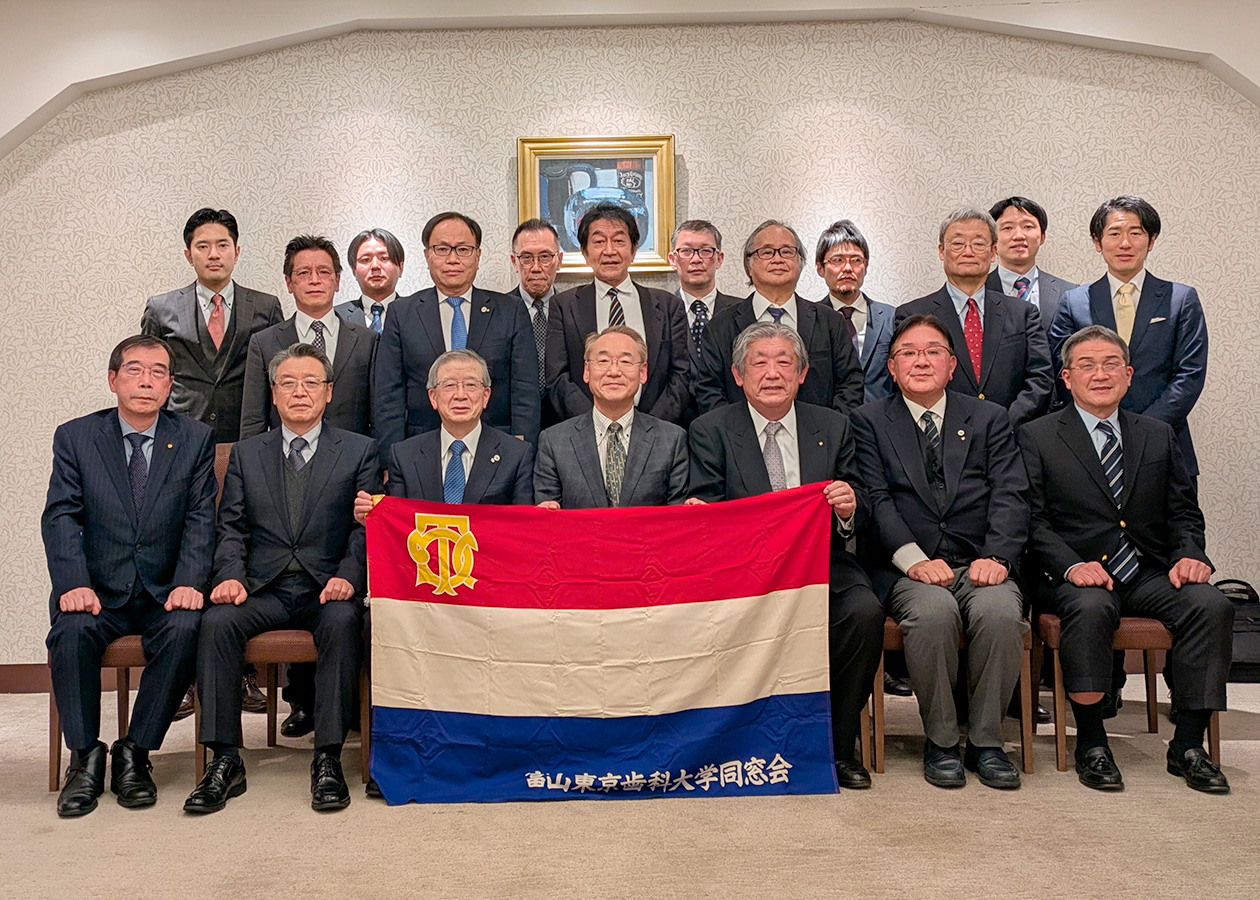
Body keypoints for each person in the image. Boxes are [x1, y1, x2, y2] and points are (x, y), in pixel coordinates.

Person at [1019, 324, 1231, 793]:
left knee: (1211, 604)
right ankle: (1093, 743)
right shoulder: (1036, 437)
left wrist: (1190, 555)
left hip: (1148, 570)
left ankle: (1189, 745)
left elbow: (1183, 512)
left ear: (1129, 375)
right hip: (1071, 572)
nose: (1100, 374)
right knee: (1090, 608)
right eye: (1087, 365)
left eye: (1111, 364)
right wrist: (1073, 565)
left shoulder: (1157, 434)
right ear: (1066, 377)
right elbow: (1031, 521)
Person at [688, 322, 885, 789]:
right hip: (740, 571)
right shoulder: (710, 430)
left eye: (784, 363)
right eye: (759, 362)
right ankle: (733, 743)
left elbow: (865, 505)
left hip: (821, 564)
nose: (772, 373)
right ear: (738, 375)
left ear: (802, 374)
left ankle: (837, 746)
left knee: (863, 611)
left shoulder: (834, 426)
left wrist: (849, 507)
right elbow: (705, 506)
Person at [186, 343, 381, 814]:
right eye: (288, 383)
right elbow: (230, 526)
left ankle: (328, 756)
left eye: (311, 382)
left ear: (329, 392)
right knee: (216, 623)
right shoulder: (247, 454)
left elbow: (364, 528)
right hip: (264, 586)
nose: (300, 392)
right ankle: (225, 758)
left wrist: (349, 578)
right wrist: (230, 576)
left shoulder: (359, 450)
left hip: (327, 587)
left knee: (340, 623)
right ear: (273, 394)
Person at [851, 315, 1030, 790]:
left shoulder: (989, 418)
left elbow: (1011, 493)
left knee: (999, 614)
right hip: (907, 566)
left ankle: (988, 743)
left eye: (933, 351)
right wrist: (912, 558)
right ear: (891, 367)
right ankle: (943, 741)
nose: (921, 360)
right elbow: (874, 498)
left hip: (980, 562)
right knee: (931, 614)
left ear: (953, 364)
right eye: (908, 352)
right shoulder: (868, 421)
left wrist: (998, 556)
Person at [42, 335, 217, 816]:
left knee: (187, 629)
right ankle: (84, 757)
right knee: (71, 633)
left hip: (164, 591)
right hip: (97, 591)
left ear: (171, 385)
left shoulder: (194, 438)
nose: (147, 381)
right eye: (135, 370)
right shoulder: (76, 437)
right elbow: (61, 517)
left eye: (159, 372)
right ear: (113, 380)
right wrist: (72, 583)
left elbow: (201, 517)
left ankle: (135, 753)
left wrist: (190, 581)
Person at [1048, 195, 1207, 482]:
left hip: (1164, 442)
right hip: (1090, 444)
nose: (1125, 243)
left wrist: (1142, 430)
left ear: (1151, 240)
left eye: (1136, 233)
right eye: (1114, 233)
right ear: (1097, 242)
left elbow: (1190, 375)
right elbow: (1063, 373)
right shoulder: (1074, 302)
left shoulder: (1180, 299)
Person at [374, 211, 540, 461]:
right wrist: (390, 458)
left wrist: (521, 448)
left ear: (478, 255)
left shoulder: (510, 310)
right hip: (419, 451)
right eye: (442, 249)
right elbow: (389, 394)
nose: (452, 259)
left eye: (463, 249)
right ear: (427, 255)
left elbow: (525, 388)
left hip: (497, 449)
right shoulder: (402, 313)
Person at [895, 208, 1053, 429]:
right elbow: (907, 381)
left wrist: (1002, 424)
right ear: (942, 251)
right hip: (941, 438)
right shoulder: (912, 315)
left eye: (978, 244)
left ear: (993, 252)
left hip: (1011, 437)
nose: (968, 252)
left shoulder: (1023, 313)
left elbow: (1041, 379)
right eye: (957, 244)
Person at [141, 207, 283, 442]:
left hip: (247, 437)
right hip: (179, 436)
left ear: (236, 253)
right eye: (203, 246)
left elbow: (278, 376)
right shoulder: (160, 308)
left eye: (223, 245)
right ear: (188, 255)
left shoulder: (265, 307)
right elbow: (152, 376)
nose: (214, 254)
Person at [696, 220, 863, 417]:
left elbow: (851, 384)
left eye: (786, 251)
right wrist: (738, 436)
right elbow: (709, 391)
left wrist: (830, 432)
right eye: (766, 252)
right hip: (741, 442)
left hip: (819, 441)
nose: (777, 259)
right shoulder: (720, 326)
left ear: (799, 263)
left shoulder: (830, 322)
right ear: (749, 265)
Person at [546, 202, 692, 426]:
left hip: (656, 433)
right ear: (585, 252)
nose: (609, 251)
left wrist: (649, 428)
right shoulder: (564, 306)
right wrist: (595, 424)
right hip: (586, 433)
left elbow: (681, 375)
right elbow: (558, 378)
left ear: (633, 251)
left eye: (619, 241)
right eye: (598, 241)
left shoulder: (668, 305)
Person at [356, 349, 534, 516]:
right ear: (433, 397)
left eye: (471, 385)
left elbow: (521, 527)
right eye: (449, 385)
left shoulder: (516, 455)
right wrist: (373, 518)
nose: (460, 395)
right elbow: (397, 522)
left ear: (486, 395)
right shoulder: (404, 456)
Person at [240, 235, 378, 439]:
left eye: (323, 272)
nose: (315, 280)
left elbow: (379, 413)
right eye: (304, 273)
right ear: (289, 283)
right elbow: (253, 419)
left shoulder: (367, 341)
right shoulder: (264, 343)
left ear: (337, 281)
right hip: (285, 461)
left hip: (353, 461)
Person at [535, 325, 688, 508]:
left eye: (625, 362)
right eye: (603, 361)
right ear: (587, 371)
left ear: (642, 372)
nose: (614, 372)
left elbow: (678, 518)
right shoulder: (554, 442)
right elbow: (547, 514)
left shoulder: (671, 440)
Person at [815, 219, 895, 402]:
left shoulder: (891, 318)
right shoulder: (811, 320)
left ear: (866, 267)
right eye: (837, 260)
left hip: (881, 424)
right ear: (820, 268)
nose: (848, 268)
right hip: (830, 424)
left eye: (856, 260)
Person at [986, 197, 1077, 338]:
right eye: (1007, 228)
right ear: (992, 239)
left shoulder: (1069, 293)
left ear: (1042, 237)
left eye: (1028, 227)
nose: (1018, 235)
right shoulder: (977, 292)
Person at [507, 218, 565, 429]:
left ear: (559, 260)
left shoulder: (573, 311)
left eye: (545, 257)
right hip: (512, 425)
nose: (536, 267)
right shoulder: (498, 313)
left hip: (565, 424)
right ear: (514, 262)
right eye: (526, 258)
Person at [335, 228, 406, 332]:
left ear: (401, 267)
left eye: (384, 258)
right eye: (366, 260)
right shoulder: (337, 317)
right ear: (354, 270)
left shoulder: (417, 314)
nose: (375, 266)